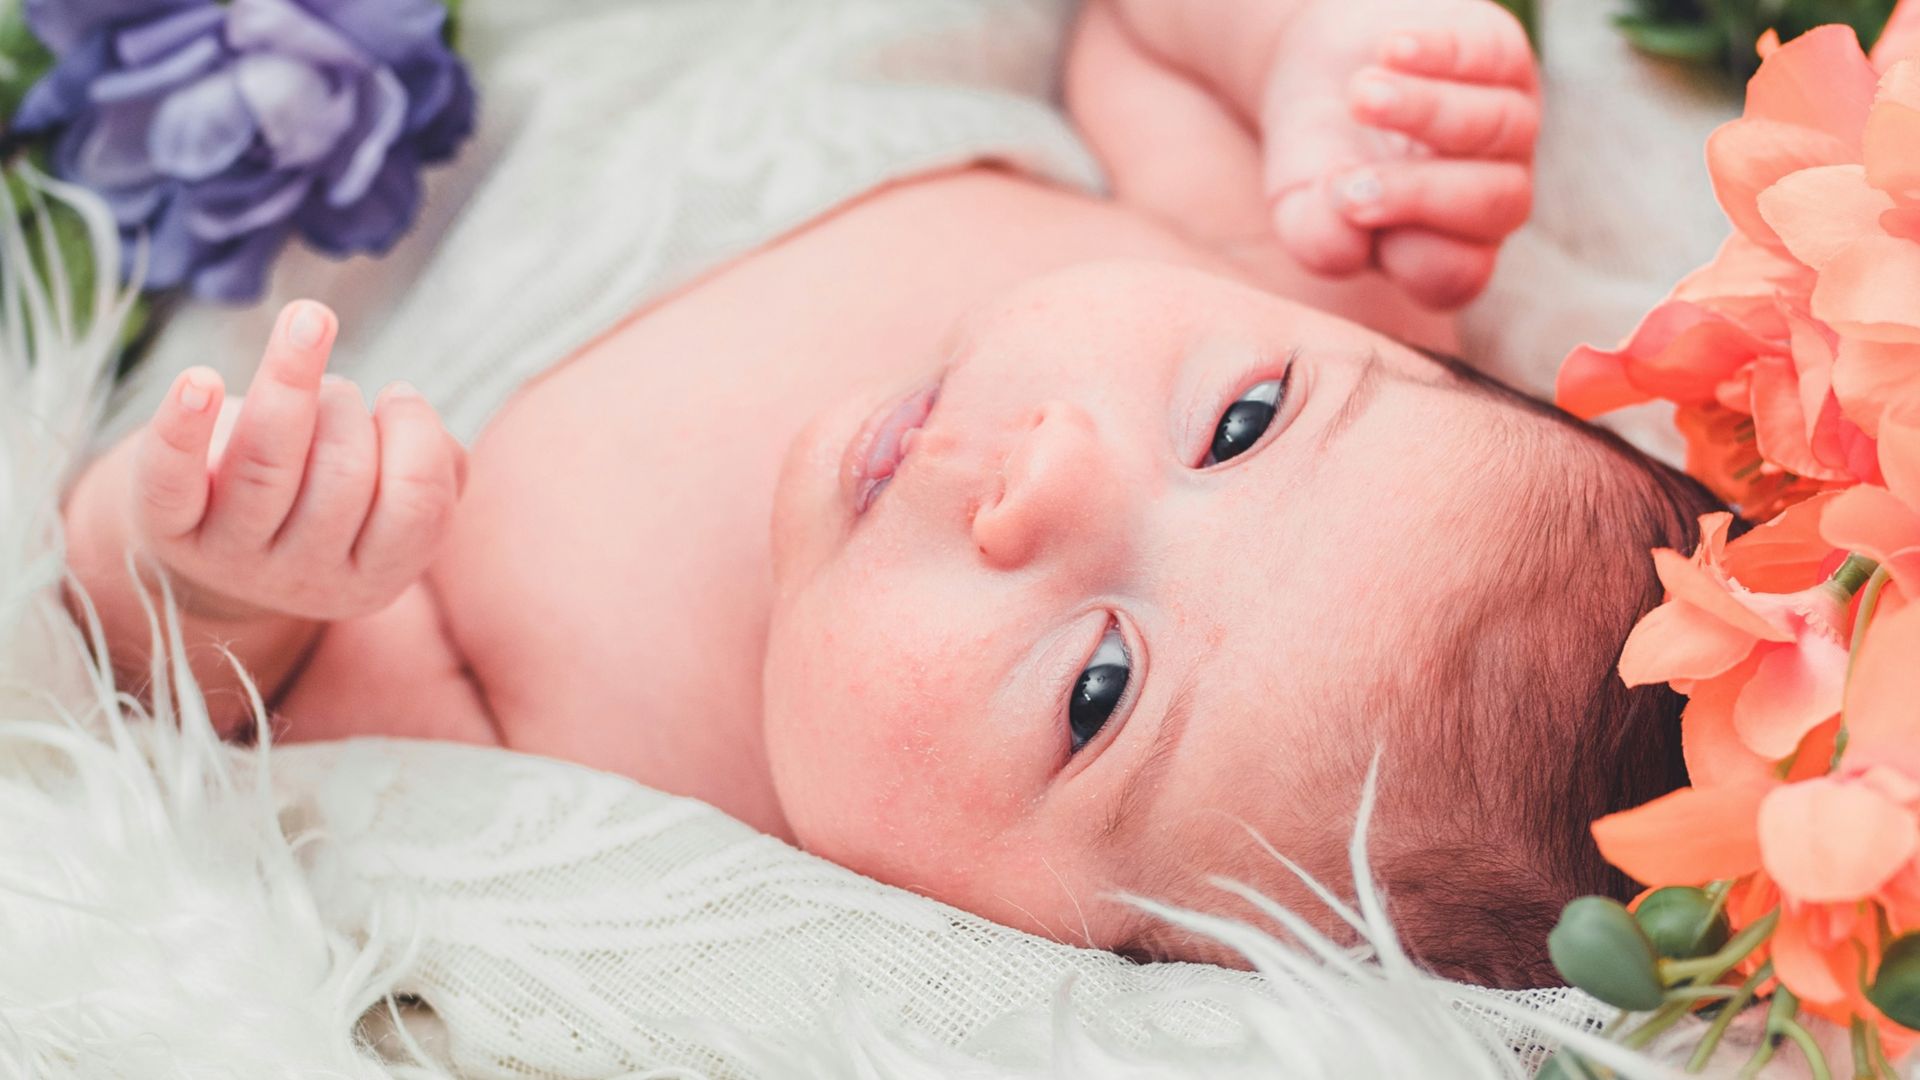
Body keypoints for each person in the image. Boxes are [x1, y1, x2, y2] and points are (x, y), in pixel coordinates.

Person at [61, 0, 1721, 986]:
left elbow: (188, 702)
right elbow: (1133, 28)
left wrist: (226, 568)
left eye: (1098, 689)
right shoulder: (1285, 273)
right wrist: (1316, 59)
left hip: (348, 178)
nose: (1050, 477)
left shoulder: (610, 770)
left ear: (1028, 945)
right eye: (1241, 424)